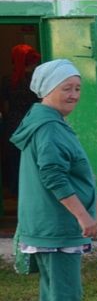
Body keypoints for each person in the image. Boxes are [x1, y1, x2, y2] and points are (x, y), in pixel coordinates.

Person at [11, 59, 97, 301]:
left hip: (47, 223)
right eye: (66, 88)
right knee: (65, 291)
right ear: (48, 90)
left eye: (77, 88)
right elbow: (53, 175)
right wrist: (82, 216)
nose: (74, 94)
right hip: (58, 224)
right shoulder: (48, 127)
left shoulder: (44, 120)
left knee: (52, 290)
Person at [1, 43, 42, 194]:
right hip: (34, 122)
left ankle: (15, 190)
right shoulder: (36, 80)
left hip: (13, 123)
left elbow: (4, 105)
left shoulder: (7, 80)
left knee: (15, 159)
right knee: (34, 158)